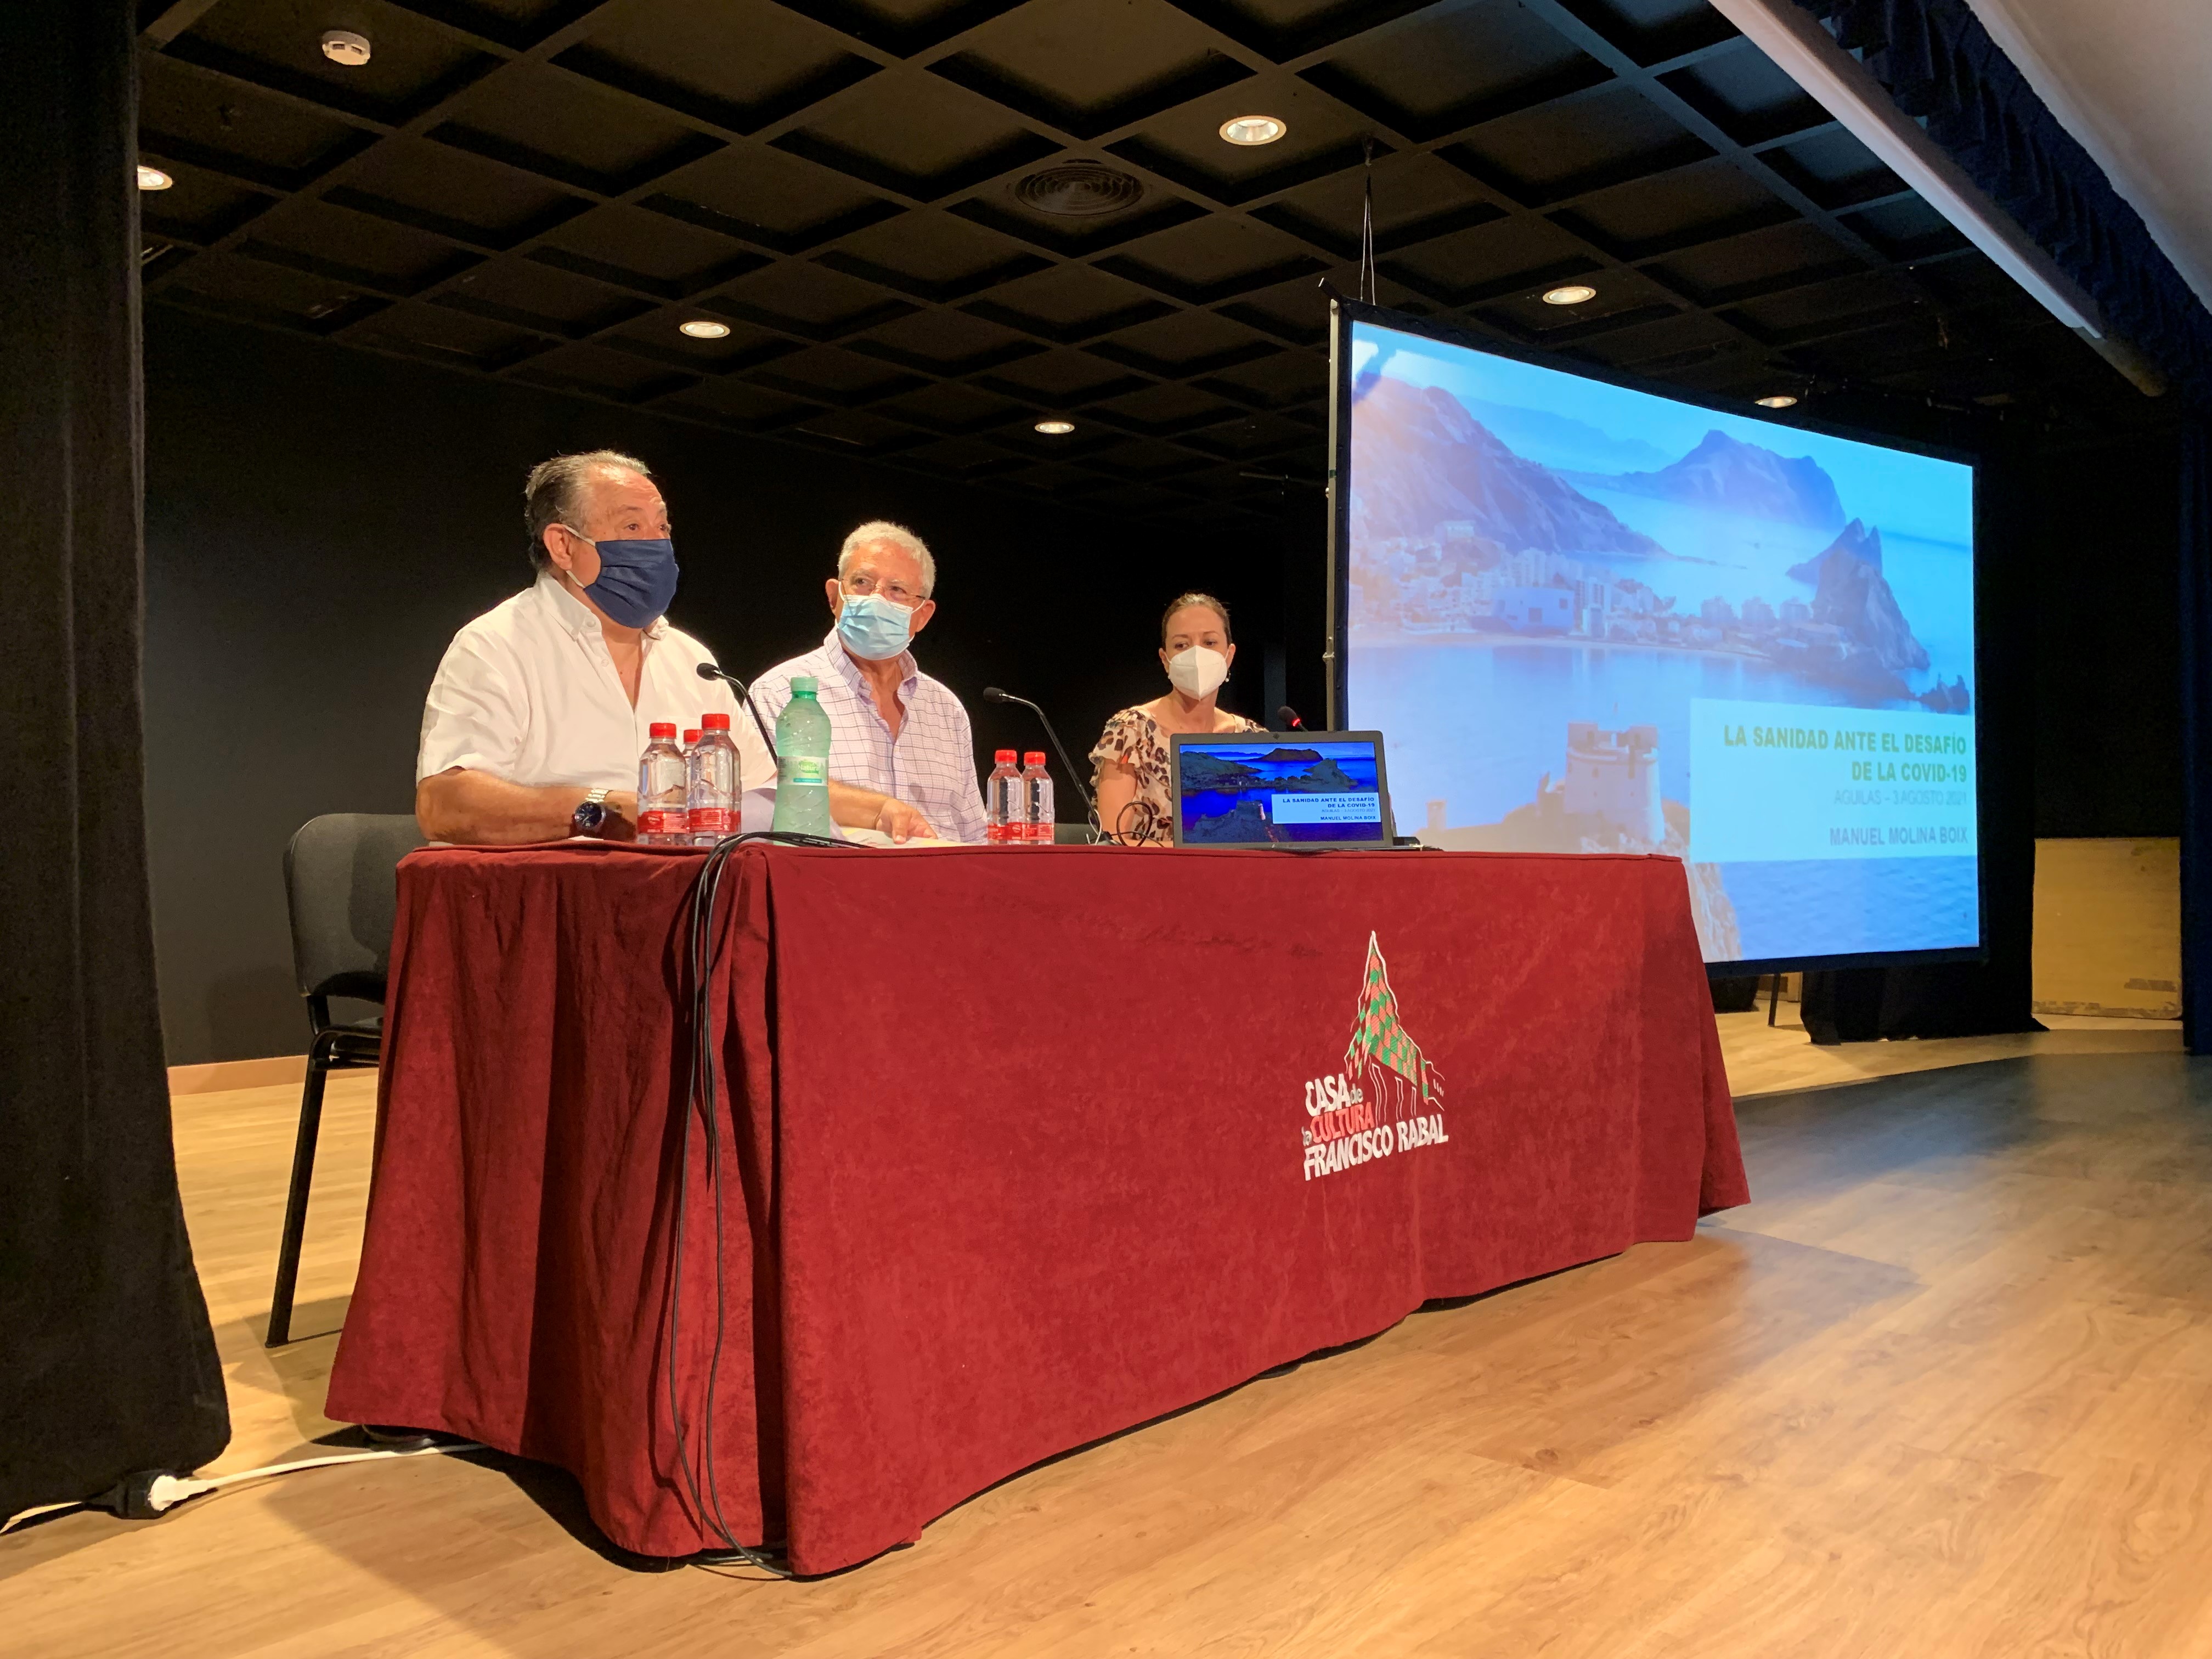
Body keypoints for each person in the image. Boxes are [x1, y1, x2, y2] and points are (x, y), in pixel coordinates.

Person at [415, 451, 936, 844]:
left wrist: (879, 811)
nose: (658, 545)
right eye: (632, 527)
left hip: (686, 908)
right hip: (552, 910)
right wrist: (602, 808)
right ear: (563, 545)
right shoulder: (496, 645)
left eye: (662, 527)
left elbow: (768, 788)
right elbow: (443, 803)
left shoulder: (690, 660)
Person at [752, 520, 989, 844]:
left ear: (923, 615)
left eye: (897, 590)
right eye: (862, 582)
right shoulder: (778, 692)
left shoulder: (946, 709)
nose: (877, 599)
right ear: (835, 596)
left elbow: (975, 833)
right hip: (832, 885)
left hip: (943, 888)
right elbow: (762, 802)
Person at [1091, 592, 1265, 845]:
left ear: (1229, 655)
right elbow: (1114, 839)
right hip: (1148, 879)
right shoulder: (1131, 731)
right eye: (1182, 645)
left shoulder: (1252, 738)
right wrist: (1192, 855)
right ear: (1165, 660)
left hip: (1236, 880)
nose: (1196, 655)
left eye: (1209, 642)